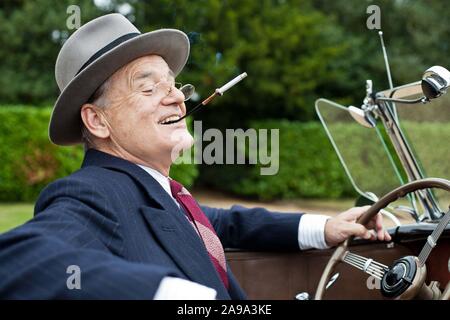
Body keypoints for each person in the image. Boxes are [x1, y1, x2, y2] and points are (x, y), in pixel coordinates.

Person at [0, 14, 390, 299]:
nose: (175, 96)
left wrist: (324, 226)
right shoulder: (90, 194)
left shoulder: (158, 192)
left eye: (173, 84)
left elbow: (220, 223)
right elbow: (19, 259)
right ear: (97, 121)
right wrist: (172, 296)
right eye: (148, 88)